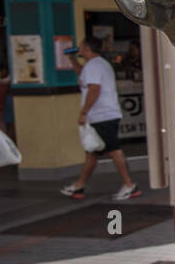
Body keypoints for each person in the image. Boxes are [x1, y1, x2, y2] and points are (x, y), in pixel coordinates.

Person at [60, 37, 142, 201]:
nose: (79, 49)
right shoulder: (98, 64)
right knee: (92, 152)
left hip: (102, 115)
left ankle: (129, 185)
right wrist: (71, 59)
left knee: (113, 150)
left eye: (81, 47)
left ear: (88, 49)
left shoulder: (94, 66)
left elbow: (94, 89)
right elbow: (83, 75)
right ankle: (79, 186)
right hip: (104, 114)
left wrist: (84, 112)